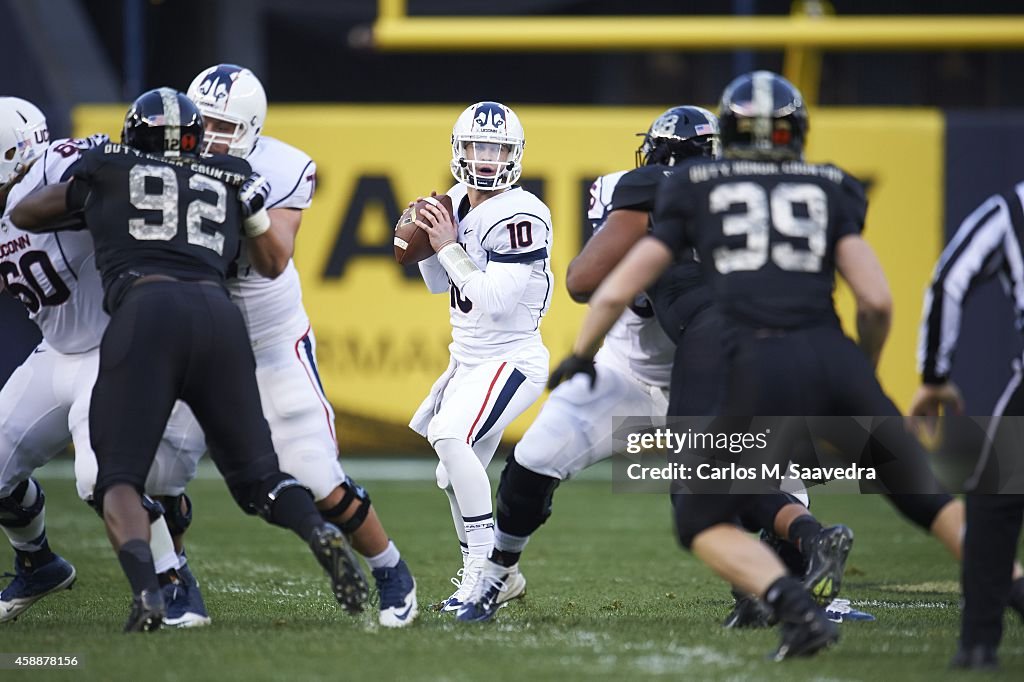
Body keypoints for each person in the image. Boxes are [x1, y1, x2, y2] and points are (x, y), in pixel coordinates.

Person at [549, 71, 965, 659]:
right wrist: (860, 375)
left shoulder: (690, 185)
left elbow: (605, 286)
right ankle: (1003, 582)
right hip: (828, 349)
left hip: (741, 349)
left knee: (701, 495)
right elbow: (875, 301)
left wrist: (579, 353)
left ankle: (783, 589)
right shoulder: (828, 183)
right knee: (922, 493)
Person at [456, 105, 859, 625]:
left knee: (759, 486)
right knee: (534, 458)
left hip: (700, 370)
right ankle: (498, 572)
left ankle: (791, 591)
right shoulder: (735, 195)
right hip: (634, 371)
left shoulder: (650, 190)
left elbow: (586, 281)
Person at [11, 88, 367, 631]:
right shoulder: (228, 174)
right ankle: (316, 531)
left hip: (142, 316)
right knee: (258, 477)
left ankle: (156, 590)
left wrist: (97, 177)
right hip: (218, 318)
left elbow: (28, 211)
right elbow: (271, 260)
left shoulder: (107, 166)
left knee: (116, 477)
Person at [169, 63, 416, 628]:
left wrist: (249, 208)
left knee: (316, 474)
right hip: (196, 341)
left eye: (222, 126)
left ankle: (390, 568)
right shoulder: (161, 163)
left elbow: (274, 258)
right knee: (157, 473)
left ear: (251, 128)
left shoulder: (280, 167)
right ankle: (173, 578)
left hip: (269, 338)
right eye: (199, 121)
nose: (207, 136)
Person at [0, 97, 202, 625]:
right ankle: (37, 562)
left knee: (101, 477)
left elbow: (115, 162)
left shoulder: (52, 165)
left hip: (112, 347)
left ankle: (173, 583)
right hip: (56, 352)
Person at [409, 101, 553, 612]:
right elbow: (436, 283)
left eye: (498, 148)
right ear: (460, 149)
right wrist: (424, 243)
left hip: (511, 358)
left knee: (450, 437)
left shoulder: (524, 212)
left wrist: (446, 244)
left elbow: (494, 300)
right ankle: (503, 578)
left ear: (514, 155)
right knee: (450, 471)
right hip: (468, 360)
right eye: (477, 146)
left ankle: (482, 577)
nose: (487, 158)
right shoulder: (454, 200)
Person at [911, 183, 1024, 669]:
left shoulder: (1014, 207)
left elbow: (949, 279)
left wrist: (934, 376)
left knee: (992, 507)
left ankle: (979, 645)